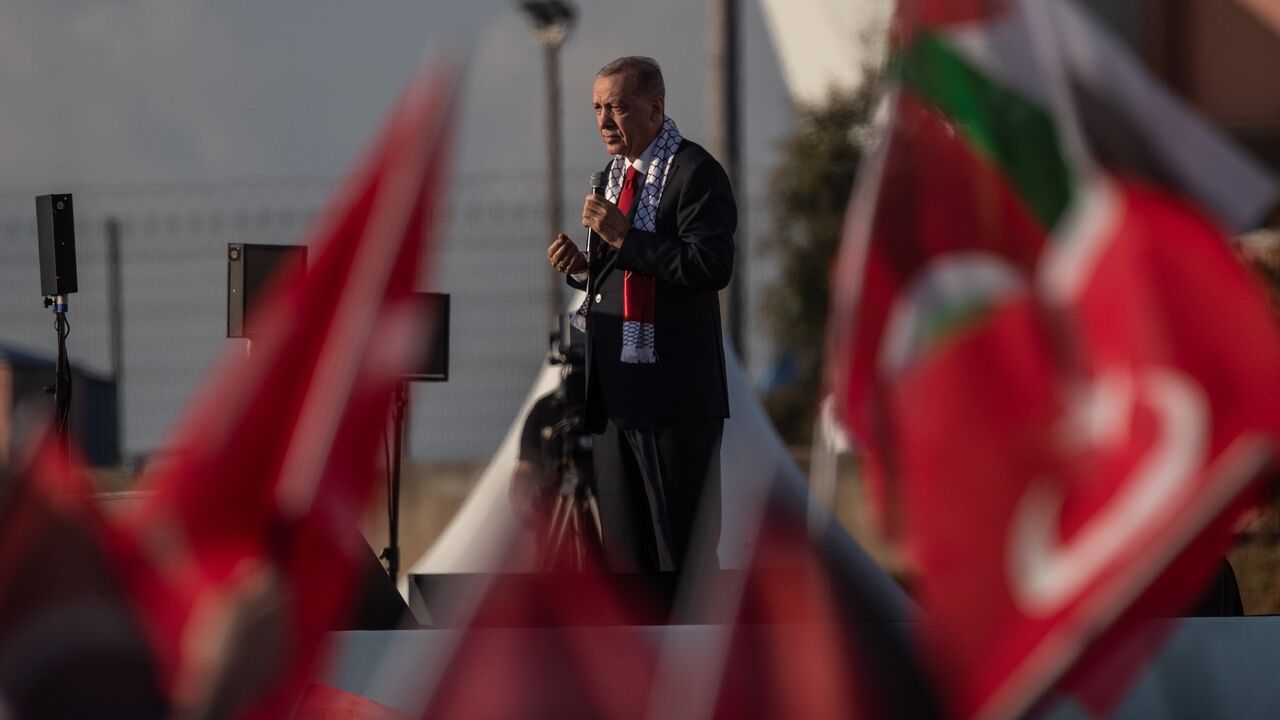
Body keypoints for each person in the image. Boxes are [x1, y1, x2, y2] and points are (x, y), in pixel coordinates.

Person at [546, 56, 736, 572]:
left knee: (682, 557)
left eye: (618, 107)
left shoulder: (696, 173)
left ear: (656, 108)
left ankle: (691, 652)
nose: (605, 121)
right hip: (616, 402)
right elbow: (629, 275)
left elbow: (709, 265)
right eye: (597, 108)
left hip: (674, 400)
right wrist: (587, 267)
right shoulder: (612, 176)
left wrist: (623, 238)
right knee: (625, 560)